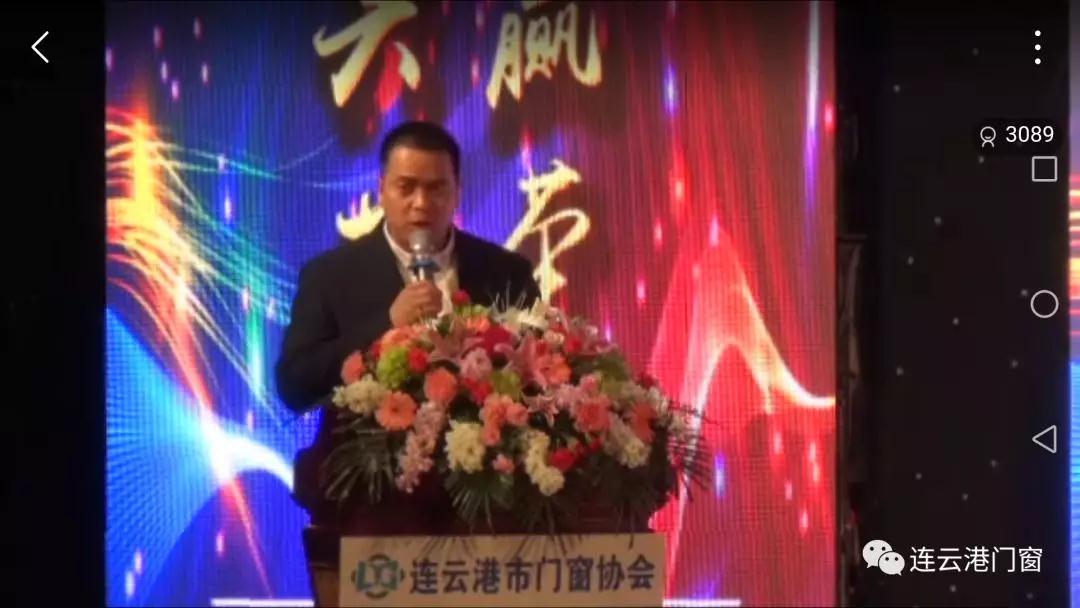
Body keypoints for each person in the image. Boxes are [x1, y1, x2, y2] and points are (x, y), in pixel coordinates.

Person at [275, 121, 541, 530]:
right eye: (406, 187)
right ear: (382, 189)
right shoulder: (329, 276)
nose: (421, 203)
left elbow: (541, 373)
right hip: (371, 503)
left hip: (489, 504)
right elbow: (295, 384)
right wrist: (386, 325)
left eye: (436, 188)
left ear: (457, 192)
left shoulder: (507, 273)